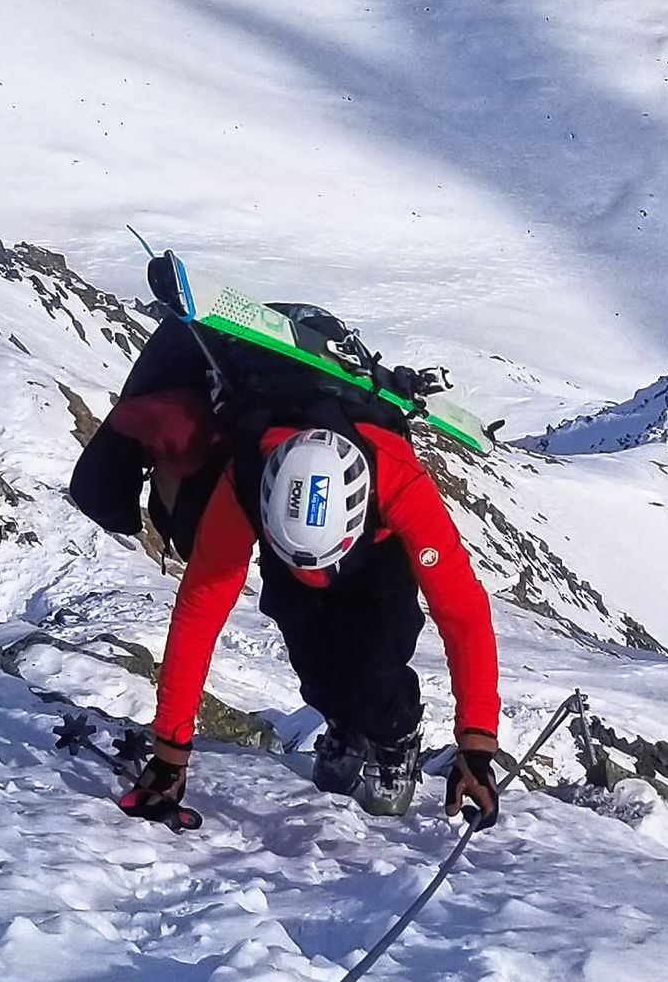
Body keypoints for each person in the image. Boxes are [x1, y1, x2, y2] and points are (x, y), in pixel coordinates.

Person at [75, 315, 503, 829]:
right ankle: (343, 720)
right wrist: (170, 754)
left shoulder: (399, 479)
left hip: (377, 560)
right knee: (314, 671)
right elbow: (198, 616)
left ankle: (395, 733)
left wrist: (476, 743)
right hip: (285, 554)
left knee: (373, 670)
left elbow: (463, 613)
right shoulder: (246, 479)